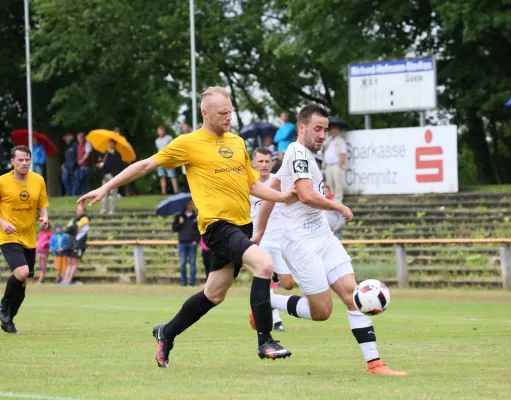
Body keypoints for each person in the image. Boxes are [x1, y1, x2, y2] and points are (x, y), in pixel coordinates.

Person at [78, 86, 297, 368]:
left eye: (230, 112)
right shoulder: (188, 143)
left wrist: (281, 197)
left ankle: (166, 332)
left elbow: (253, 184)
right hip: (217, 226)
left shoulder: (237, 142)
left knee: (214, 294)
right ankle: (266, 341)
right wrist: (106, 187)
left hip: (242, 226)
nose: (228, 117)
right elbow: (145, 166)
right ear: (205, 113)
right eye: (222, 113)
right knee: (264, 266)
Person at [251, 104, 407, 376]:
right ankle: (267, 303)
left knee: (353, 295)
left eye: (325, 129)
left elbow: (269, 194)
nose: (322, 134)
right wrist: (339, 207)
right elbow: (306, 195)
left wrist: (260, 231)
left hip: (323, 237)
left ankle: (375, 363)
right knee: (322, 311)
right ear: (302, 128)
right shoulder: (298, 153)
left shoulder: (303, 156)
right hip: (300, 244)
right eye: (317, 129)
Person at [0, 145, 49, 334]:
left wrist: (44, 217)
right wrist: (2, 223)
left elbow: (42, 204)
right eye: (20, 159)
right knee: (21, 273)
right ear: (12, 161)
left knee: (23, 282)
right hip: (8, 236)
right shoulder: (3, 181)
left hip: (29, 237)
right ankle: (3, 306)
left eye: (27, 159)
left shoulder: (38, 180)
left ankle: (8, 321)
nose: (24, 163)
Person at [251, 147, 296, 332]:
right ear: (253, 163)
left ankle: (266, 303)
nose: (263, 165)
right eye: (260, 161)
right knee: (264, 279)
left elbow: (291, 202)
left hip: (281, 239)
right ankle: (275, 321)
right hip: (260, 240)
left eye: (267, 161)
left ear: (272, 163)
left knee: (288, 284)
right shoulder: (249, 184)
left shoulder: (279, 182)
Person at [172, 199, 201, 287]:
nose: (190, 206)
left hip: (192, 243)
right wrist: (180, 223)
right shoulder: (179, 216)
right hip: (182, 242)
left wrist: (196, 241)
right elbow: (174, 228)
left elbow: (199, 230)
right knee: (182, 262)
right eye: (189, 204)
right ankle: (183, 282)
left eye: (192, 204)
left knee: (192, 263)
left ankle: (192, 282)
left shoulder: (196, 217)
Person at [61, 204, 90, 285]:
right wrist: (72, 229)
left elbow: (74, 228)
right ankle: (64, 280)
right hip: (71, 243)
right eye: (78, 209)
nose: (79, 211)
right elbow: (68, 229)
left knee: (74, 262)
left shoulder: (85, 219)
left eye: (81, 210)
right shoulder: (73, 219)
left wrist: (73, 229)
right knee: (69, 262)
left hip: (79, 243)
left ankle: (68, 280)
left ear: (84, 211)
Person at [97, 139, 123, 215]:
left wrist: (115, 175)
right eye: (110, 143)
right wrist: (100, 165)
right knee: (104, 193)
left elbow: (119, 167)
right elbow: (98, 163)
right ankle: (104, 209)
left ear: (115, 144)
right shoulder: (105, 153)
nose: (110, 145)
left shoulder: (118, 155)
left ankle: (112, 210)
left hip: (113, 176)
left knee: (113, 194)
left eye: (112, 143)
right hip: (105, 176)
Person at [323, 123, 347, 201]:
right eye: (332, 130)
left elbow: (343, 153)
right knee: (329, 184)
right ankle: (331, 200)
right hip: (328, 165)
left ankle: (338, 200)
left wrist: (340, 164)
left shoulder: (340, 140)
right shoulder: (328, 140)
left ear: (337, 131)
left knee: (337, 183)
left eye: (335, 130)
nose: (333, 131)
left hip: (336, 165)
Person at [155, 126, 179, 195]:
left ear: (164, 131)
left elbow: (173, 146)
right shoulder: (157, 141)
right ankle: (163, 192)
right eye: (159, 131)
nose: (161, 132)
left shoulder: (169, 138)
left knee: (172, 175)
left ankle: (176, 191)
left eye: (162, 130)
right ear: (157, 132)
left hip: (168, 158)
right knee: (162, 176)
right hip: (160, 159)